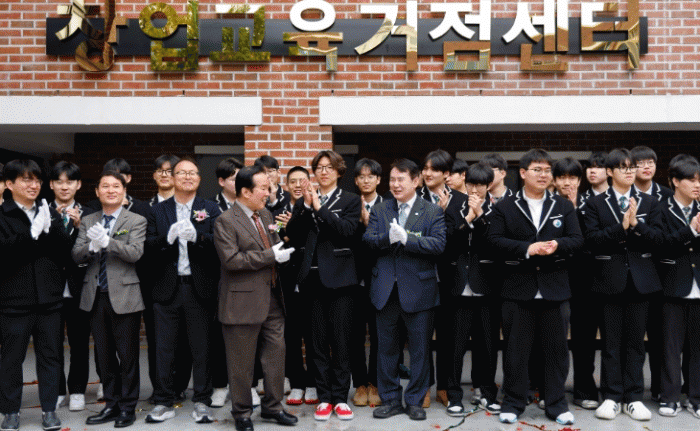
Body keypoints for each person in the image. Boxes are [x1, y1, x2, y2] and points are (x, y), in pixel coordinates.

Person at [487, 149, 583, 426]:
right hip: (518, 289)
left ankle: (556, 403)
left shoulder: (562, 205)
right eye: (537, 170)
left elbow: (577, 239)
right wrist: (528, 249)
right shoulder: (505, 206)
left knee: (556, 351)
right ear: (523, 173)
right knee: (516, 351)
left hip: (555, 289)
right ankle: (513, 402)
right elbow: (493, 241)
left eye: (547, 170)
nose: (543, 175)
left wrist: (558, 245)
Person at [214, 165, 298, 431]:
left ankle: (273, 407)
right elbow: (231, 260)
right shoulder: (225, 221)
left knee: (275, 356)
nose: (268, 192)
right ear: (245, 191)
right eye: (263, 188)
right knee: (241, 362)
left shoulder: (265, 214)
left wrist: (283, 249)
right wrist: (271, 256)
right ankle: (242, 413)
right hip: (241, 302)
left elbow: (273, 244)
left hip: (272, 297)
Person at [583, 148, 664, 422]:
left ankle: (634, 397)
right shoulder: (595, 203)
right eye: (623, 167)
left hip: (641, 281)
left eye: (632, 167)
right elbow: (592, 240)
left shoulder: (650, 202)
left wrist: (636, 225)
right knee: (611, 342)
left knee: (636, 344)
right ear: (610, 172)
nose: (630, 172)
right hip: (608, 280)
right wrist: (621, 227)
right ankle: (611, 396)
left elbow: (658, 239)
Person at [363, 158, 446, 421]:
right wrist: (387, 238)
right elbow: (368, 240)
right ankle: (390, 399)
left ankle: (415, 400)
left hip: (419, 291)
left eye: (401, 179)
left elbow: (438, 245)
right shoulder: (381, 209)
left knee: (420, 349)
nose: (395, 184)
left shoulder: (432, 211)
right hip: (385, 290)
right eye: (392, 179)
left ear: (416, 181)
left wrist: (408, 239)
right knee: (386, 349)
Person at [285, 150, 361, 421]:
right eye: (319, 167)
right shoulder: (303, 201)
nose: (324, 172)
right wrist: (306, 208)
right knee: (316, 342)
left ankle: (340, 398)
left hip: (341, 280)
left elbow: (347, 232)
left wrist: (319, 208)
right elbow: (292, 234)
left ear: (339, 171)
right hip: (311, 281)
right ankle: (324, 397)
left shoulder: (350, 200)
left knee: (341, 341)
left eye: (329, 167)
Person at [145, 158, 222, 424]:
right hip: (166, 288)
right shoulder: (157, 211)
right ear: (172, 177)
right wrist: (166, 240)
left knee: (202, 349)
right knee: (164, 349)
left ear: (199, 179)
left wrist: (198, 238)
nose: (187, 177)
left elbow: (219, 245)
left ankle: (202, 401)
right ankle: (163, 401)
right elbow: (147, 248)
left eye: (192, 173)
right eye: (181, 173)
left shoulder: (209, 208)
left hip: (198, 288)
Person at [0, 159, 72, 431]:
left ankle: (49, 410)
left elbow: (64, 252)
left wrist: (52, 229)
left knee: (50, 357)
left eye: (37, 180)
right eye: (26, 179)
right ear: (9, 184)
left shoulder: (48, 212)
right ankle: (10, 411)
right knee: (11, 359)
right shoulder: (2, 215)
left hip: (49, 299)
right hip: (13, 300)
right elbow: (4, 255)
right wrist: (30, 235)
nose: (34, 185)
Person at [72, 171, 147, 428]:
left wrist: (108, 243)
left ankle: (128, 407)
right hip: (95, 295)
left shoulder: (135, 220)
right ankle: (111, 404)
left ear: (124, 191)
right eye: (105, 186)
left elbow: (135, 253)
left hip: (124, 295)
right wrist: (91, 247)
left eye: (116, 186)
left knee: (127, 356)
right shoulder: (88, 220)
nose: (111, 190)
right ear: (97, 192)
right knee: (103, 356)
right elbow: (76, 255)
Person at [446, 162, 501, 416]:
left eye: (480, 185)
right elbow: (448, 243)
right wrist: (467, 217)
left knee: (487, 345)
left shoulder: (497, 209)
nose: (475, 190)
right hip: (458, 285)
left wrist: (480, 217)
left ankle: (487, 394)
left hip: (487, 285)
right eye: (471, 184)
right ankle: (454, 396)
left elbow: (494, 244)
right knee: (455, 346)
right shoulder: (453, 207)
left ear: (488, 185)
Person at [417, 149, 467, 408]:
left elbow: (458, 240)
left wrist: (445, 215)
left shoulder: (461, 200)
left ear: (446, 173)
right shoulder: (414, 199)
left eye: (434, 169)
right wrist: (436, 214)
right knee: (422, 336)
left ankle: (445, 387)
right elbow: (413, 236)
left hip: (450, 278)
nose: (427, 173)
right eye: (425, 168)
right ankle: (424, 387)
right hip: (420, 276)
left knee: (449, 336)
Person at [552, 157, 600, 410]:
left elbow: (590, 241)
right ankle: (552, 390)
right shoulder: (547, 206)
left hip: (584, 282)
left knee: (584, 339)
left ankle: (584, 389)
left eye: (572, 177)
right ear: (554, 180)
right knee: (553, 339)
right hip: (553, 279)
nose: (566, 182)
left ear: (580, 180)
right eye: (561, 177)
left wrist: (574, 211)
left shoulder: (591, 206)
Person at [143, 154, 191, 405]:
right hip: (156, 283)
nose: (165, 175)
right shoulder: (144, 208)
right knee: (157, 341)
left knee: (184, 340)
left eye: (170, 170)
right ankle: (159, 388)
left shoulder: (193, 205)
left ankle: (180, 385)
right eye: (160, 170)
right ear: (154, 175)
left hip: (187, 282)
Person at [48, 161, 96, 412]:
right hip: (50, 288)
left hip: (80, 287)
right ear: (51, 185)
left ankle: (77, 390)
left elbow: (90, 253)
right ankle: (56, 390)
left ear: (78, 185)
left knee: (79, 342)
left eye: (70, 182)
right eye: (59, 181)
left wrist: (79, 229)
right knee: (51, 343)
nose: (64, 187)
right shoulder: (42, 212)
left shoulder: (90, 214)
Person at [656, 157, 700, 419]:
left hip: (699, 286)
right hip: (672, 285)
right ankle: (670, 397)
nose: (697, 185)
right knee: (670, 347)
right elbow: (660, 245)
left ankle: (696, 398)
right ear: (675, 181)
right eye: (691, 180)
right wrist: (690, 231)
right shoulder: (661, 209)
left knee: (698, 348)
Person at [273, 166, 320, 406]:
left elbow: (313, 238)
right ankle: (297, 384)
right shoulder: (278, 212)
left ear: (309, 182)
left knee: (313, 334)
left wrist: (290, 232)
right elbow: (276, 239)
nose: (298, 185)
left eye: (303, 180)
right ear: (287, 185)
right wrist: (288, 235)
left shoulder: (315, 208)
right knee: (290, 336)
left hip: (312, 279)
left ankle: (312, 383)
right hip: (286, 279)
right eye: (293, 181)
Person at [630, 145, 673, 403]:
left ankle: (659, 387)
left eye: (651, 162)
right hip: (634, 271)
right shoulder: (624, 195)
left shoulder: (667, 195)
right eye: (641, 163)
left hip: (663, 273)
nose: (647, 167)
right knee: (633, 337)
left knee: (660, 335)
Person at [351, 158, 383, 408]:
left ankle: (374, 382)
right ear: (355, 180)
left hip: (380, 280)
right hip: (352, 280)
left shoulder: (388, 206)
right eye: (361, 176)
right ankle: (360, 383)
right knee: (354, 335)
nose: (366, 180)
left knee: (379, 334)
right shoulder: (350, 205)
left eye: (370, 176)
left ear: (378, 179)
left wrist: (367, 225)